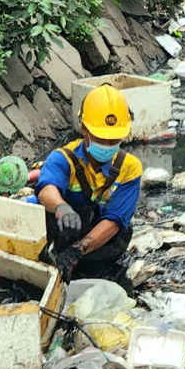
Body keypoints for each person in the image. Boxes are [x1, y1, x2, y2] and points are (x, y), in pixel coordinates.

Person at [35, 85, 143, 287]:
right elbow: (46, 189)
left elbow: (115, 220)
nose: (108, 144)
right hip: (58, 232)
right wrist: (61, 207)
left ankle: (85, 267)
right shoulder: (63, 158)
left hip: (94, 241)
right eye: (101, 138)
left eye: (114, 139)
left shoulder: (129, 168)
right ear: (84, 129)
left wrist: (77, 251)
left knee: (123, 230)